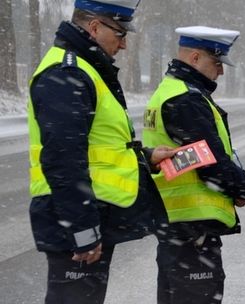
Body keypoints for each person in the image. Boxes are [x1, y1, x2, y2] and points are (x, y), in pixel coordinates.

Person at [27, 1, 176, 303]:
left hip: (86, 216)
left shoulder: (85, 70)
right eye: (120, 34)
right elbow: (63, 159)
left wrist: (145, 158)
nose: (123, 44)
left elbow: (100, 145)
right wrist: (83, 231)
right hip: (73, 221)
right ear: (94, 27)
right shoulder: (67, 73)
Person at [142, 26, 245, 304]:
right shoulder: (186, 99)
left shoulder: (170, 91)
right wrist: (243, 187)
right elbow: (210, 161)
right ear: (194, 58)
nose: (221, 71)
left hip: (176, 228)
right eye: (216, 62)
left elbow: (191, 155)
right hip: (193, 230)